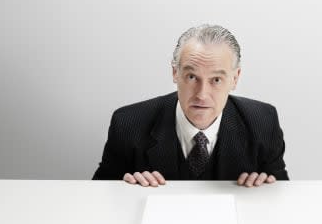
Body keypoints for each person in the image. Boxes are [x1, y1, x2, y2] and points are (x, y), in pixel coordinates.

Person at [92, 24, 288, 187]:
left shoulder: (263, 122)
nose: (202, 95)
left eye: (216, 80)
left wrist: (267, 189)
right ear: (175, 73)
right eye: (192, 77)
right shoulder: (128, 124)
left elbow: (281, 196)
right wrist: (124, 188)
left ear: (235, 79)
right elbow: (100, 196)